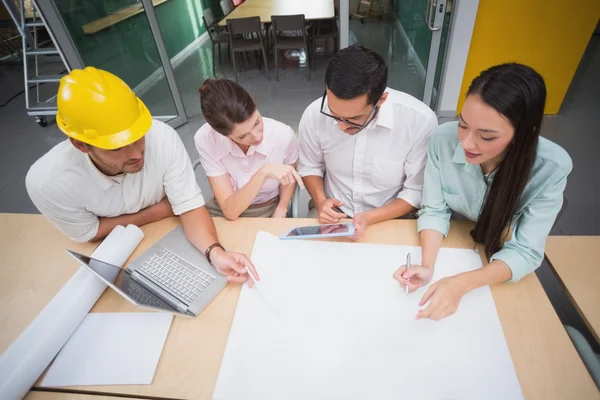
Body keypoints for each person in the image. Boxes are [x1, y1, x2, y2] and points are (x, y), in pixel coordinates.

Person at [26, 67, 258, 286]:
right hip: (111, 257)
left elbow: (188, 208)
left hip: (169, 244)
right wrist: (161, 209)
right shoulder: (48, 182)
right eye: (117, 148)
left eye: (138, 137)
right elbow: (89, 233)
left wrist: (215, 253)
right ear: (81, 145)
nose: (137, 154)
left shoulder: (163, 138)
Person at [393, 63, 572, 321]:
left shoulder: (552, 166)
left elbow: (526, 251)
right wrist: (427, 266)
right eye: (463, 125)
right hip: (463, 236)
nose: (466, 143)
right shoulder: (443, 139)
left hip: (501, 241)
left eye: (486, 136)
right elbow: (434, 209)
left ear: (522, 134)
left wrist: (461, 284)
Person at [298, 45, 438, 240]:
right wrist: (321, 201)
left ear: (381, 100)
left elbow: (415, 191)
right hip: (333, 212)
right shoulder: (313, 114)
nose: (340, 126)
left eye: (352, 119)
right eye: (333, 114)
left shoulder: (419, 121)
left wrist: (370, 217)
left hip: (393, 216)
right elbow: (310, 166)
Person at [194, 78, 303, 220]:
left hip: (266, 209)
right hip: (225, 209)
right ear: (222, 134)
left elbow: (289, 177)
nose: (257, 136)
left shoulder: (282, 135)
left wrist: (282, 208)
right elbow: (230, 211)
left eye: (256, 122)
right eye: (243, 136)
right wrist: (263, 172)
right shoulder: (206, 139)